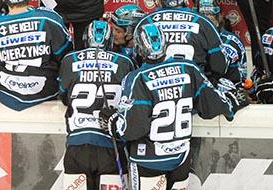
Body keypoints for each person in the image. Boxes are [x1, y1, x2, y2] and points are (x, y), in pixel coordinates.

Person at [99, 23, 248, 190]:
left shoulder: (137, 78)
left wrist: (112, 123)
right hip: (180, 158)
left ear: (139, 49)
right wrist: (233, 101)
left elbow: (134, 128)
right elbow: (211, 105)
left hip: (149, 160)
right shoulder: (188, 68)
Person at [59, 20, 134, 190]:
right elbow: (130, 100)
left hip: (77, 145)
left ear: (86, 38)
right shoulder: (125, 62)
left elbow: (64, 96)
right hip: (111, 147)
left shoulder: (70, 59)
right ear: (109, 40)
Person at [136, 0, 228, 83]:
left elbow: (136, 61)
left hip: (155, 91)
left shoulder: (145, 22)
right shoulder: (203, 22)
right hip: (195, 89)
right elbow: (219, 65)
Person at [195, 0, 247, 85]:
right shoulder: (190, 39)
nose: (205, 26)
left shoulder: (230, 42)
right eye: (202, 21)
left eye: (209, 20)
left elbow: (218, 69)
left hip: (228, 89)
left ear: (218, 20)